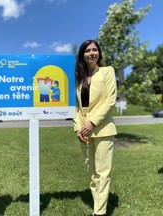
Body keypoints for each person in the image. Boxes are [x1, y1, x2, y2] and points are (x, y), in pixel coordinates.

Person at [73, 40, 117, 216]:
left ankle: (99, 212)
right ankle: (97, 206)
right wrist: (78, 128)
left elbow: (109, 101)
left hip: (102, 128)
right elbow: (77, 107)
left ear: (99, 53)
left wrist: (91, 122)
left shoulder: (108, 71)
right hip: (84, 131)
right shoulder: (79, 77)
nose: (92, 53)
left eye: (95, 50)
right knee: (91, 173)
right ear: (82, 55)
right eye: (88, 50)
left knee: (102, 172)